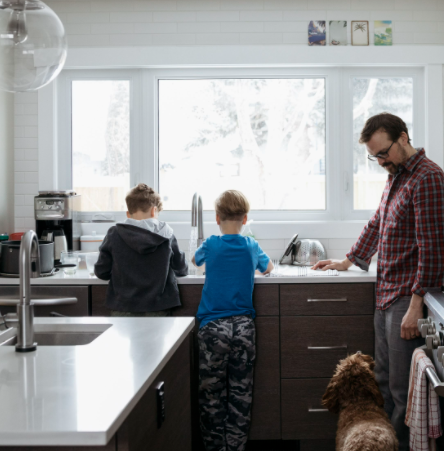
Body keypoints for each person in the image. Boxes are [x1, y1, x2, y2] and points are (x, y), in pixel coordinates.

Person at [312, 113, 444, 450]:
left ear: (403, 138)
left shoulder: (428, 178)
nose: (380, 161)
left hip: (405, 298)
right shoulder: (397, 176)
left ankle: (399, 445)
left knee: (401, 390)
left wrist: (416, 306)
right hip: (385, 293)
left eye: (383, 153)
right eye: (374, 157)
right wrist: (347, 260)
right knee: (383, 382)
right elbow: (377, 223)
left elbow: (433, 247)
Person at [192, 190, 273, 451]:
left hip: (213, 329)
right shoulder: (251, 245)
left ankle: (214, 447)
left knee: (211, 393)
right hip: (243, 328)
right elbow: (268, 268)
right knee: (240, 393)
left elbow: (195, 261)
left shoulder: (212, 244)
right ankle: (236, 447)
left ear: (217, 218)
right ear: (245, 219)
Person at [95, 183, 188, 317]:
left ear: (128, 213)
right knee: (156, 339)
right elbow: (181, 269)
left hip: (123, 306)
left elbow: (101, 272)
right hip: (159, 306)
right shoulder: (166, 235)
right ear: (153, 211)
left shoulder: (114, 234)